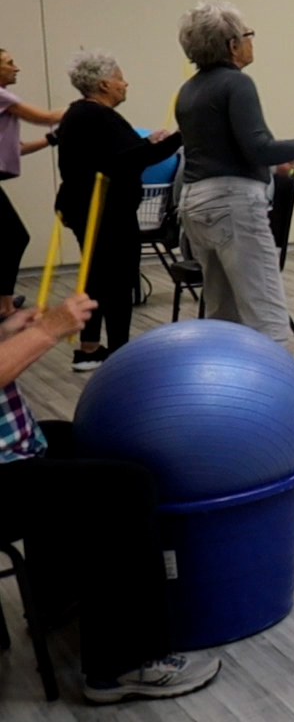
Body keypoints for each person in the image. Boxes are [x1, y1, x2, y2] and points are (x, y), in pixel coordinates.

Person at [0, 291, 222, 703]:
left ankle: (54, 596)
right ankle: (125, 664)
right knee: (123, 488)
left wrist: (6, 332)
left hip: (12, 451)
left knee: (77, 442)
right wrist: (47, 331)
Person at [175, 2, 294, 353]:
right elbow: (259, 148)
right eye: (248, 35)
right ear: (232, 45)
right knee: (265, 312)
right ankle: (275, 400)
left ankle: (230, 393)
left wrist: (274, 167)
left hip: (195, 205)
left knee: (223, 313)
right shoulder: (237, 84)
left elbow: (223, 150)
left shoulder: (189, 91)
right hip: (233, 207)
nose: (252, 41)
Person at [53, 50, 181, 370]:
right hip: (105, 213)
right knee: (118, 280)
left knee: (97, 278)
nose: (126, 84)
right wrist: (181, 137)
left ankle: (89, 348)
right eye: (120, 77)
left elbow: (117, 154)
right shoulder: (98, 116)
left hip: (89, 210)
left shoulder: (79, 114)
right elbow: (131, 160)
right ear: (104, 84)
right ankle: (119, 351)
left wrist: (149, 142)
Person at [0, 49, 61, 321]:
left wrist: (53, 139)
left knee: (9, 238)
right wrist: (88, 105)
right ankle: (4, 307)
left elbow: (18, 148)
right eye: (10, 63)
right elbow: (45, 117)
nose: (17, 68)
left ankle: (4, 301)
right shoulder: (3, 96)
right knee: (13, 237)